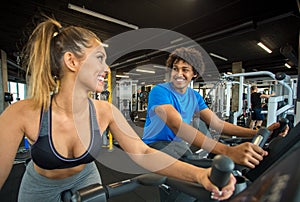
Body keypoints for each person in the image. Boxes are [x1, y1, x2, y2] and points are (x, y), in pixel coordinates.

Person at [0, 17, 236, 201]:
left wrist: (199, 175)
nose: (107, 68)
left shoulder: (105, 111)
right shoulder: (22, 113)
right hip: (40, 188)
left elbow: (143, 153)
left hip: (86, 179)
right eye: (99, 58)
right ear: (72, 62)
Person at [142, 47, 284, 169]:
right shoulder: (160, 91)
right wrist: (227, 151)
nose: (179, 74)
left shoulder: (195, 96)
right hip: (155, 144)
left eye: (185, 70)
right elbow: (176, 125)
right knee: (193, 170)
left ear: (194, 74)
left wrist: (257, 133)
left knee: (206, 167)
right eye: (175, 69)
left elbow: (217, 123)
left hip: (177, 144)